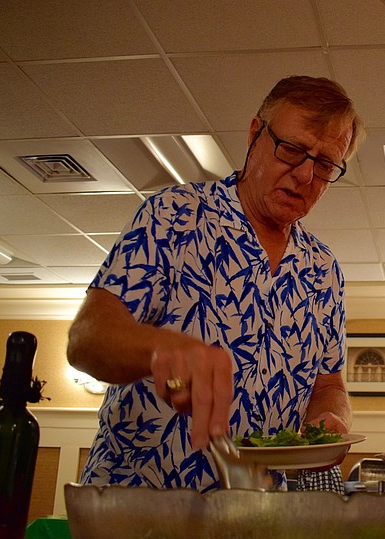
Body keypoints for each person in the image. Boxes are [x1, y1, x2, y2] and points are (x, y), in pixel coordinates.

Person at [67, 75, 365, 493]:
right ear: (254, 133)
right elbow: (86, 339)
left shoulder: (324, 270)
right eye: (293, 150)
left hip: (259, 515)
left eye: (325, 164)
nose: (304, 175)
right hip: (138, 508)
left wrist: (331, 420)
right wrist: (160, 349)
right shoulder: (174, 215)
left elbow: (329, 383)